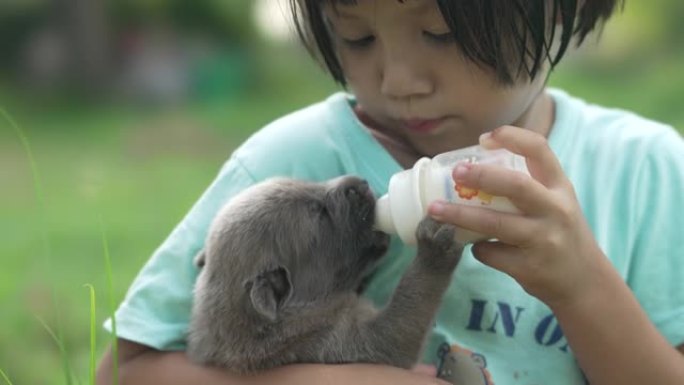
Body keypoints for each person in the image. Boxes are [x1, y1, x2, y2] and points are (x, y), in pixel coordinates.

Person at [96, 1, 684, 384]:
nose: (398, 81)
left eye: (440, 32)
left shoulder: (646, 171)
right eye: (357, 38)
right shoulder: (288, 165)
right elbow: (127, 373)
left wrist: (581, 285)